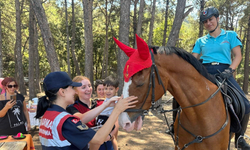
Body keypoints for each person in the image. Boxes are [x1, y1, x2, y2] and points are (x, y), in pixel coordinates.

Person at [192, 6, 250, 149]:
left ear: (217, 19)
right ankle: (175, 129)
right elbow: (193, 59)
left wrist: (230, 70)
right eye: (205, 21)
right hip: (205, 72)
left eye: (210, 19)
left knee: (246, 104)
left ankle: (239, 138)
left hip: (225, 71)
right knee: (180, 97)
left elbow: (238, 56)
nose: (208, 23)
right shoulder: (200, 41)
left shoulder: (230, 35)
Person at [35, 71, 137, 150]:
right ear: (62, 92)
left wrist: (107, 105)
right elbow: (97, 139)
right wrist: (117, 110)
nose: (74, 92)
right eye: (71, 88)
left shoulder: (48, 114)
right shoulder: (65, 121)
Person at [66, 75, 119, 150]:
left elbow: (115, 120)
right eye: (83, 87)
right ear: (76, 91)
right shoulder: (72, 108)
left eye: (89, 86)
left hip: (107, 145)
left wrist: (110, 136)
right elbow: (81, 119)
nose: (88, 89)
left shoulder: (101, 102)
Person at [96, 75, 120, 150]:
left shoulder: (116, 100)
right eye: (106, 88)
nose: (108, 91)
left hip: (108, 123)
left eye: (111, 89)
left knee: (111, 140)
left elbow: (117, 119)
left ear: (116, 89)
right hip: (101, 123)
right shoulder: (106, 100)